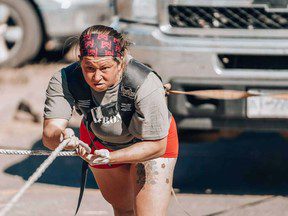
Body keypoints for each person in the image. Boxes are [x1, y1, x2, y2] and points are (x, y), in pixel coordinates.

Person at [42, 25, 179, 216]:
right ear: (80, 61)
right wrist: (63, 137)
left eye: (105, 68)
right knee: (123, 209)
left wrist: (111, 157)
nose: (96, 77)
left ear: (120, 62)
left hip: (149, 143)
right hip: (100, 140)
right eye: (89, 67)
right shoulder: (65, 79)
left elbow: (157, 145)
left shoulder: (145, 82)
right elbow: (50, 134)